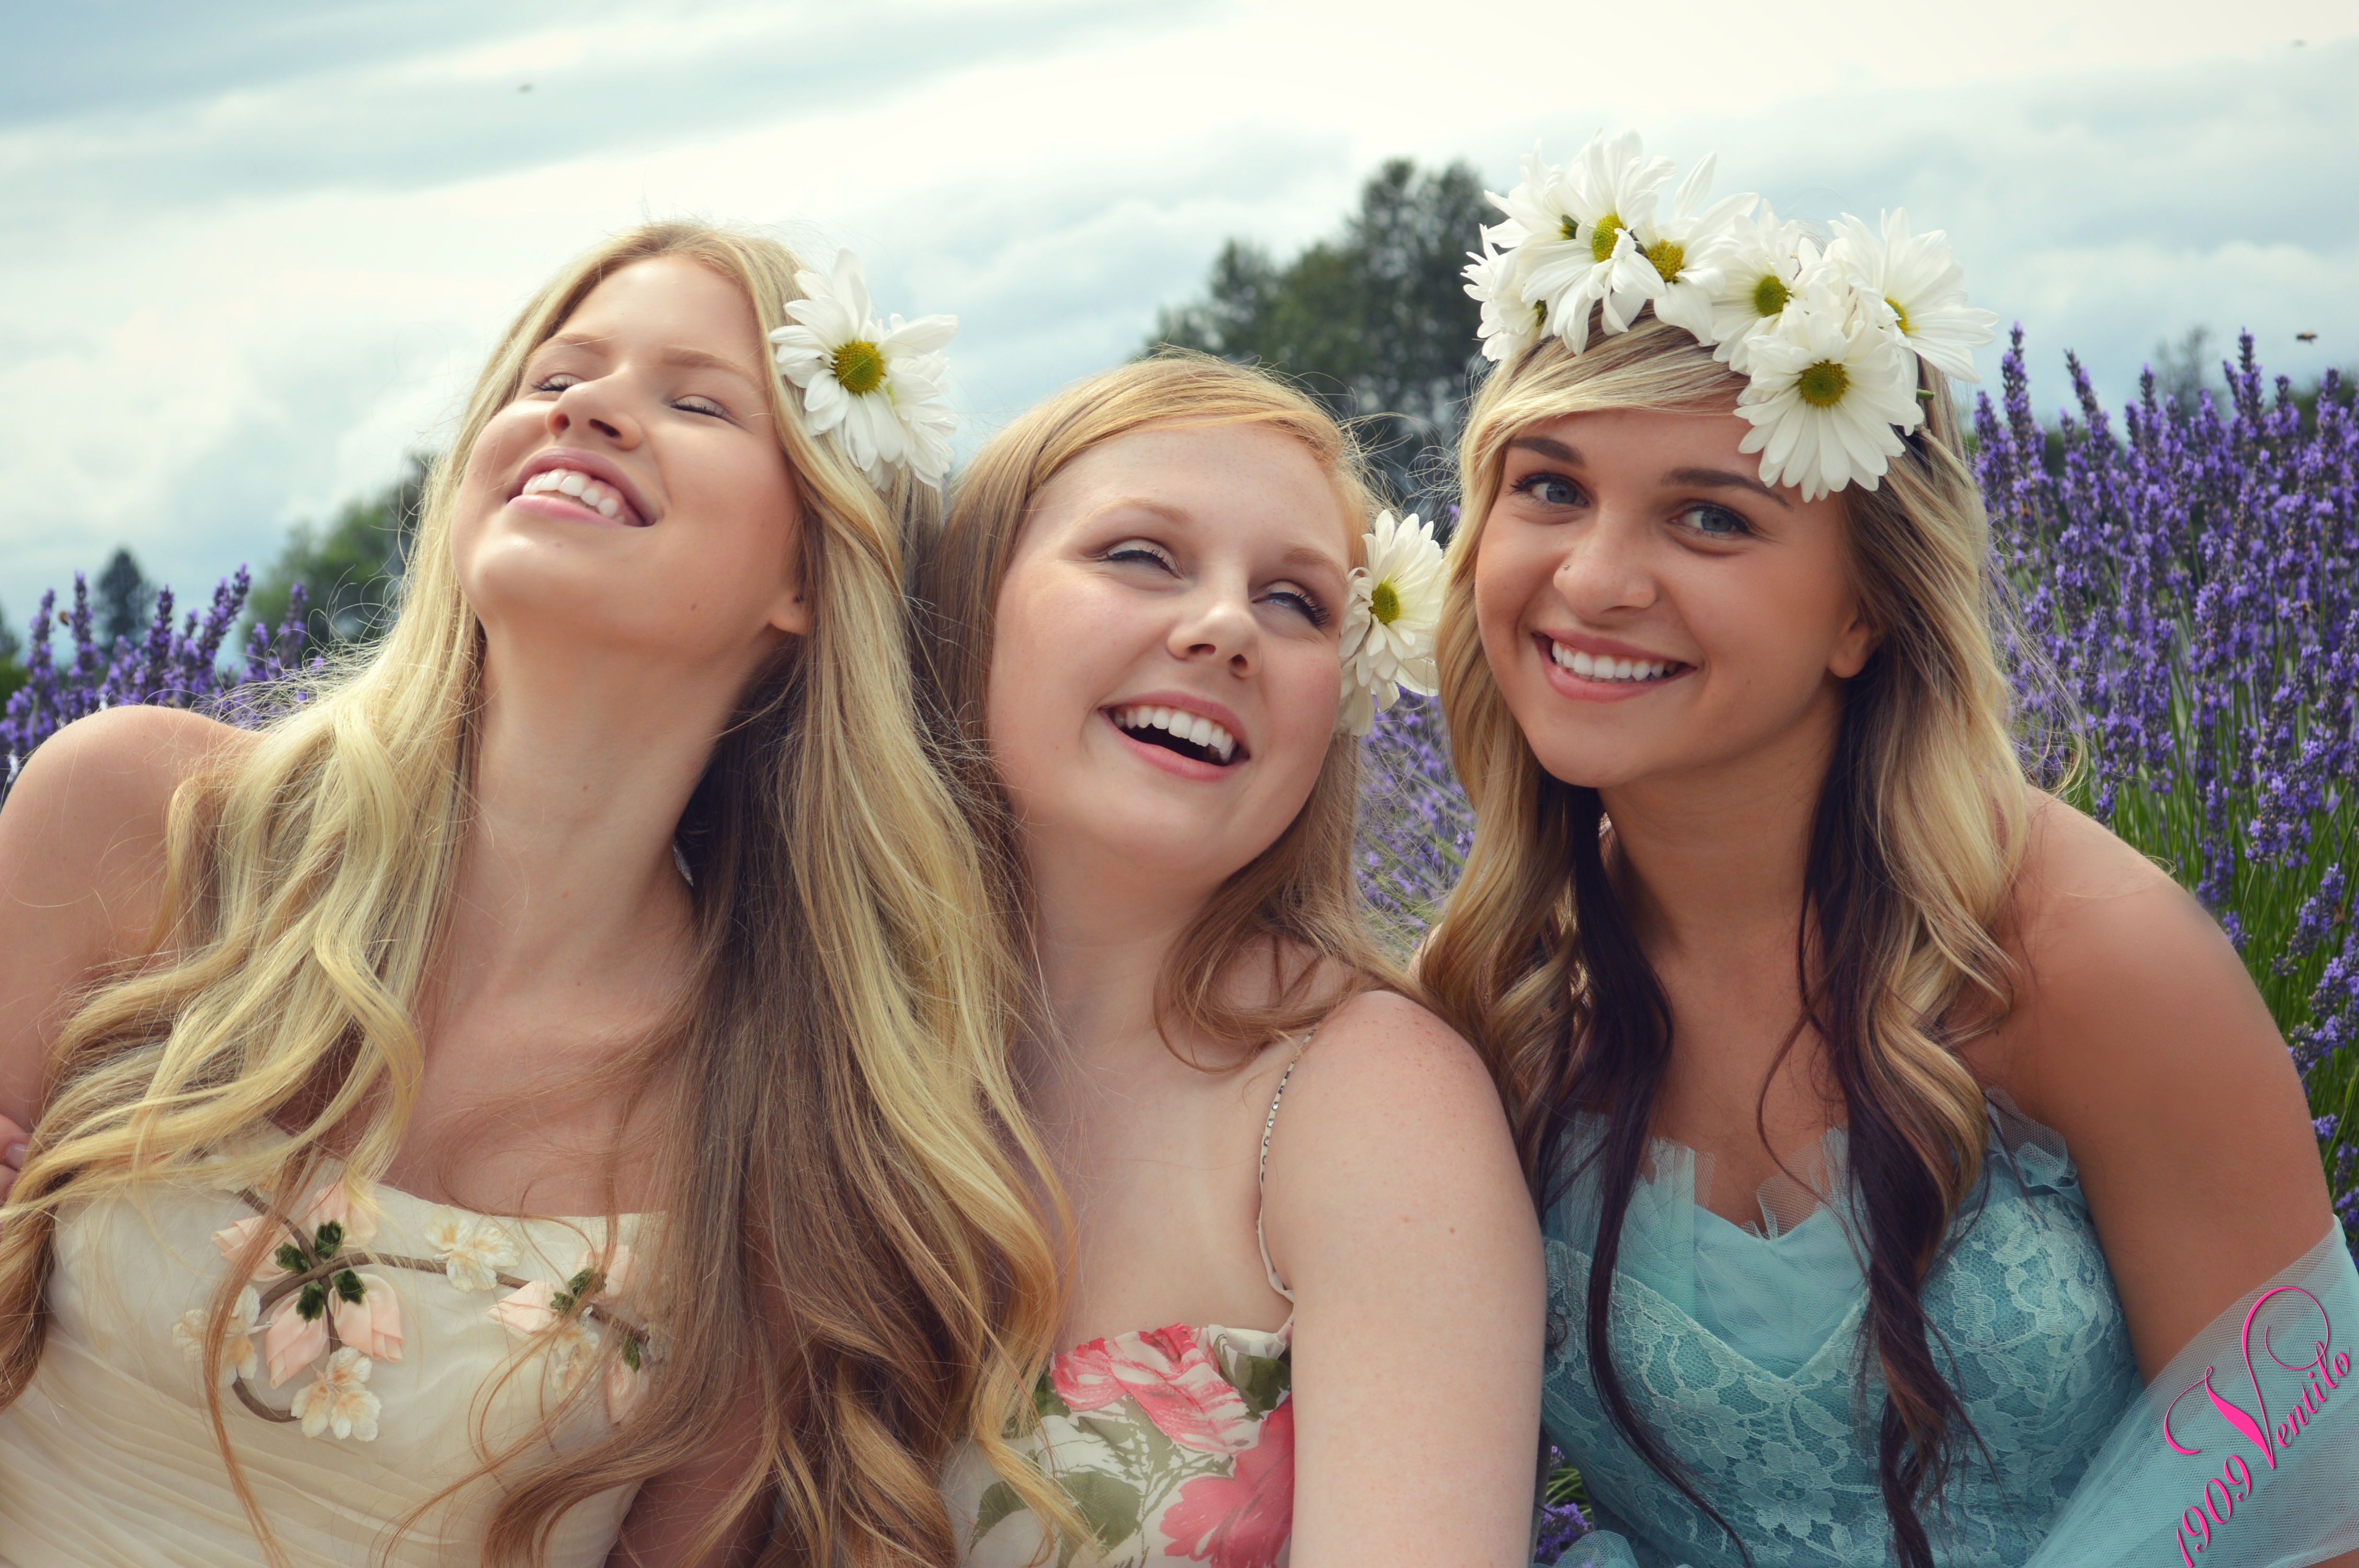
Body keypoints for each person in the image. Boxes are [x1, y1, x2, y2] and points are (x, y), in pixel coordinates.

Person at [0, 223, 1053, 1568]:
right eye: (557, 375)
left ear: (804, 576)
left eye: (695, 401)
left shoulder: (777, 1102)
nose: (593, 407)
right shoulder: (145, 822)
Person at [1420, 133, 2359, 1566]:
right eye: (1549, 487)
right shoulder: (1492, 1003)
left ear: (1864, 612)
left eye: (1711, 516)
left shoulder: (2082, 952)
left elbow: (2310, 1504)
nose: (1595, 580)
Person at [913, 353, 1545, 1567]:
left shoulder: (1364, 1099)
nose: (1224, 627)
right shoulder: (810, 1045)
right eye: (1140, 556)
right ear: (970, 601)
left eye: (1297, 602)